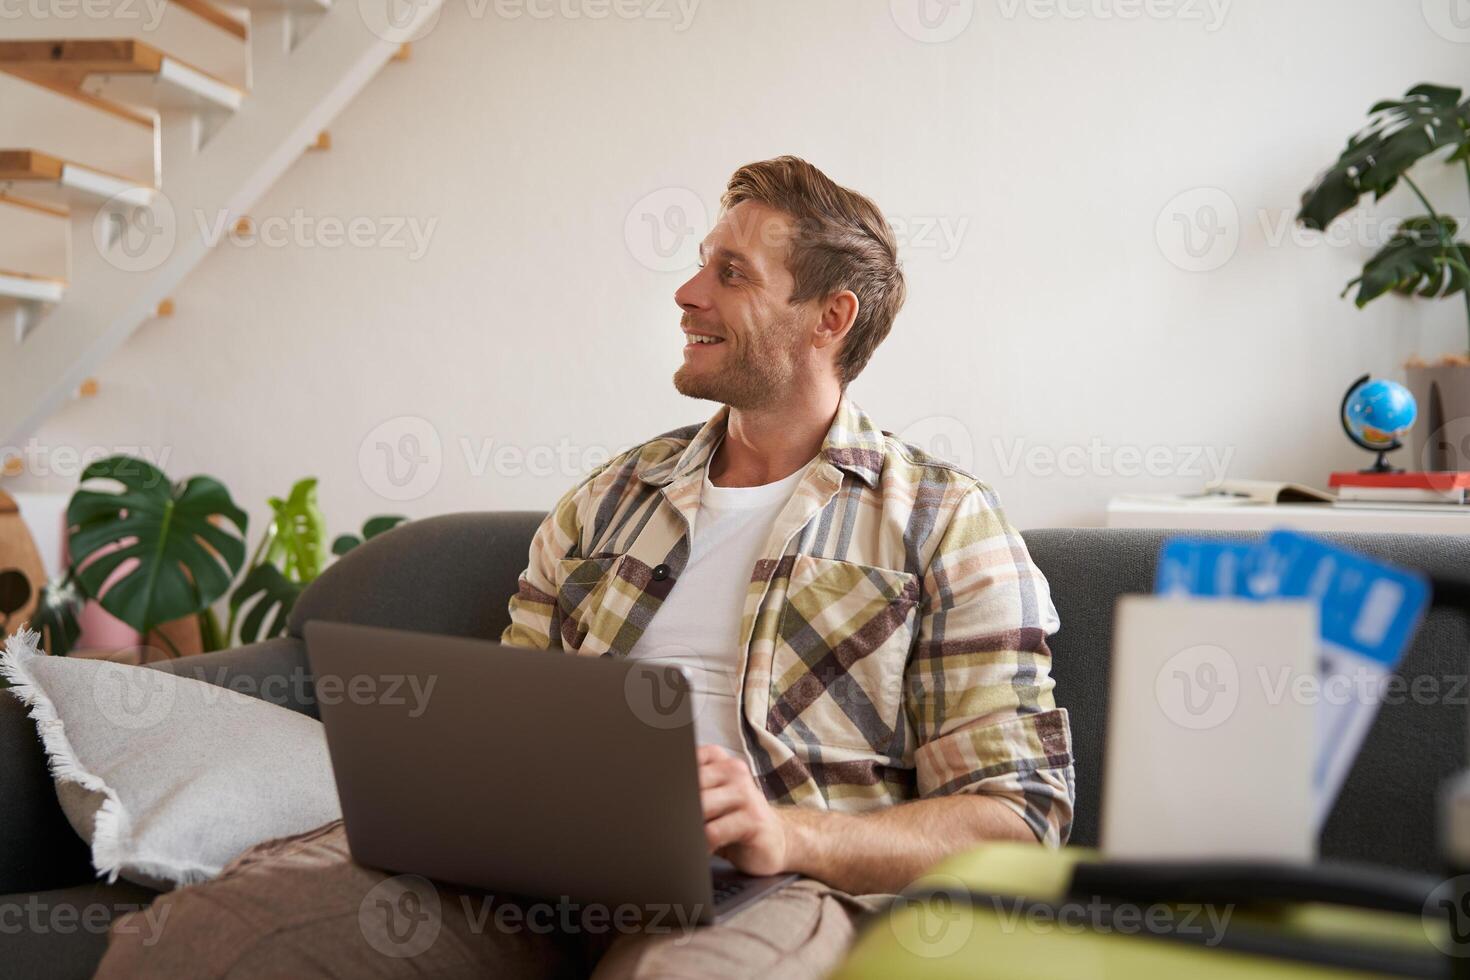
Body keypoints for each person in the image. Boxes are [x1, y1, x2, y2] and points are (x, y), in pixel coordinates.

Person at [97, 155, 1074, 980]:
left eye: (731, 272)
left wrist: (788, 832)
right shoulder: (611, 497)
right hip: (526, 872)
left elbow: (1016, 820)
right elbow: (507, 712)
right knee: (196, 942)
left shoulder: (944, 520)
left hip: (768, 886)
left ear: (830, 317)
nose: (689, 293)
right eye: (700, 264)